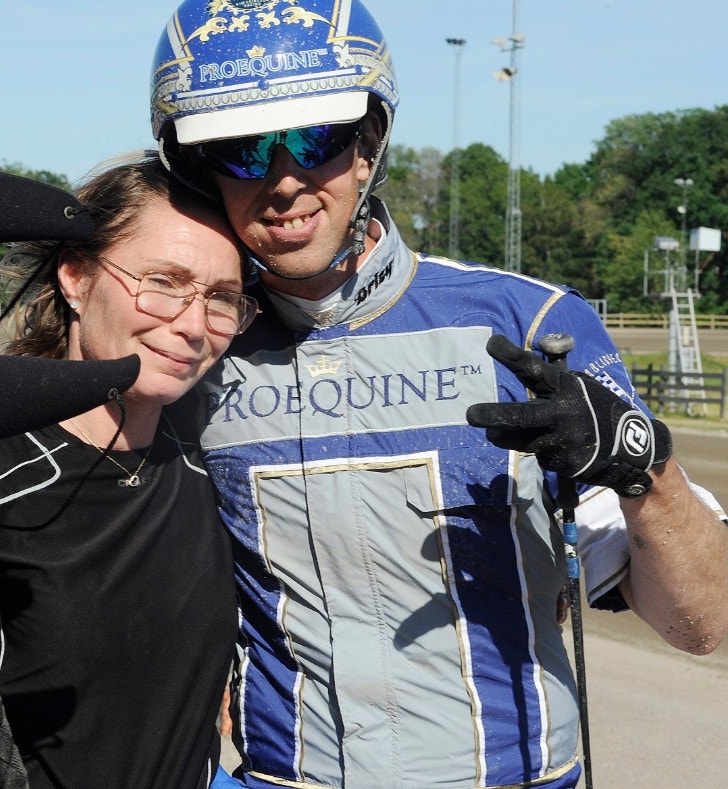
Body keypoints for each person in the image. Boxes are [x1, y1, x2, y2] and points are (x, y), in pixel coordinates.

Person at [148, 1, 728, 787]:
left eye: (316, 139)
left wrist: (644, 472)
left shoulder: (534, 323)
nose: (283, 179)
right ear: (197, 168)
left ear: (369, 146)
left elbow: (703, 624)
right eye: (241, 150)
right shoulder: (187, 350)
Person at [0, 152, 255, 788]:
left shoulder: (214, 462)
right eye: (162, 281)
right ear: (75, 278)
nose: (192, 326)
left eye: (222, 298)